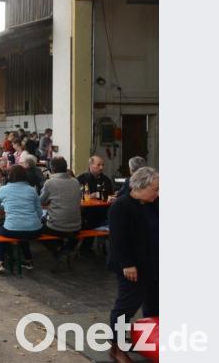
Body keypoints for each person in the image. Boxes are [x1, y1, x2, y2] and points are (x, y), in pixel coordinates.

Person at [107, 167, 159, 363]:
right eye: (155, 188)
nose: (158, 192)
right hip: (131, 266)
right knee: (126, 306)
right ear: (141, 186)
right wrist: (127, 264)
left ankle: (149, 340)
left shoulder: (153, 203)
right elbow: (118, 240)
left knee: (154, 303)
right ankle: (116, 347)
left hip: (153, 262)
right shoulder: (121, 206)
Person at [0, 165, 43, 274]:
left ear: (9, 176)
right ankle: (28, 260)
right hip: (34, 230)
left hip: (12, 229)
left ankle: (0, 263)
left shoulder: (3, 189)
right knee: (23, 231)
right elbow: (40, 212)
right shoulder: (32, 190)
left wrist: (5, 206)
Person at [38, 156, 82, 272]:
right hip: (76, 227)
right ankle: (67, 249)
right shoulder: (75, 181)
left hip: (57, 227)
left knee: (36, 229)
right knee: (67, 228)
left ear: (51, 169)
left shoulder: (50, 183)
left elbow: (40, 202)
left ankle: (58, 250)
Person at [77, 155, 115, 255]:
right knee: (88, 221)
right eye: (98, 165)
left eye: (103, 165)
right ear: (90, 165)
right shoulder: (81, 179)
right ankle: (84, 248)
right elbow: (76, 196)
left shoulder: (106, 180)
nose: (101, 167)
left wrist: (112, 197)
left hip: (103, 212)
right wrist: (88, 196)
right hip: (86, 212)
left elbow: (111, 194)